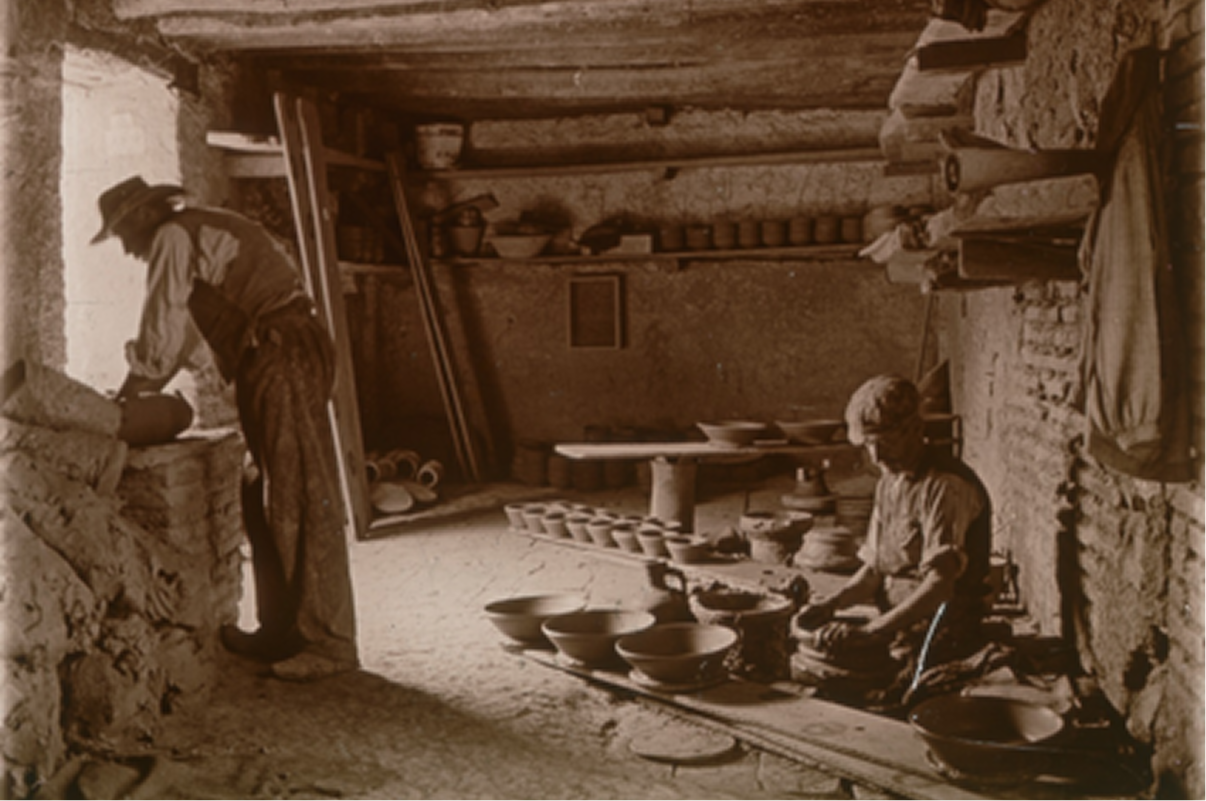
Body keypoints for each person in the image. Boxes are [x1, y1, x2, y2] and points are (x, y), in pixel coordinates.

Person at [91, 176, 358, 681]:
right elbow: (178, 344)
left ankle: (330, 643)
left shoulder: (174, 237)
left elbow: (159, 335)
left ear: (146, 215)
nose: (126, 248)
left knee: (301, 496)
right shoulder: (196, 238)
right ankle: (280, 629)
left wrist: (123, 401)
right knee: (260, 494)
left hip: (283, 351)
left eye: (123, 232)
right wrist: (134, 392)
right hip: (278, 351)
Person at [792, 374, 991, 708]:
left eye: (886, 440)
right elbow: (873, 572)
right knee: (816, 665)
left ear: (915, 430)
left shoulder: (945, 485)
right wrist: (832, 604)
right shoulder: (890, 482)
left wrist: (874, 631)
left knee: (889, 701)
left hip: (942, 625)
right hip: (896, 620)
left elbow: (940, 587)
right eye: (868, 444)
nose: (876, 455)